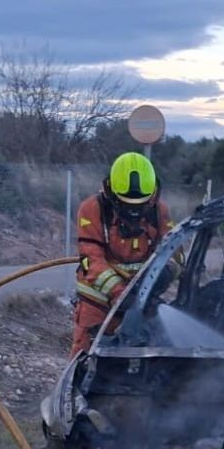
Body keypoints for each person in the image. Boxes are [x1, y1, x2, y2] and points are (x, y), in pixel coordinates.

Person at [72, 152, 173, 355]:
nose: (134, 211)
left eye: (140, 204)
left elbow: (174, 249)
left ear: (153, 195)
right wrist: (120, 293)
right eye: (126, 204)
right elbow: (91, 258)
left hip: (142, 303)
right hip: (98, 305)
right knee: (87, 358)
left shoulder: (158, 212)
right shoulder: (93, 209)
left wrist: (165, 274)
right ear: (110, 191)